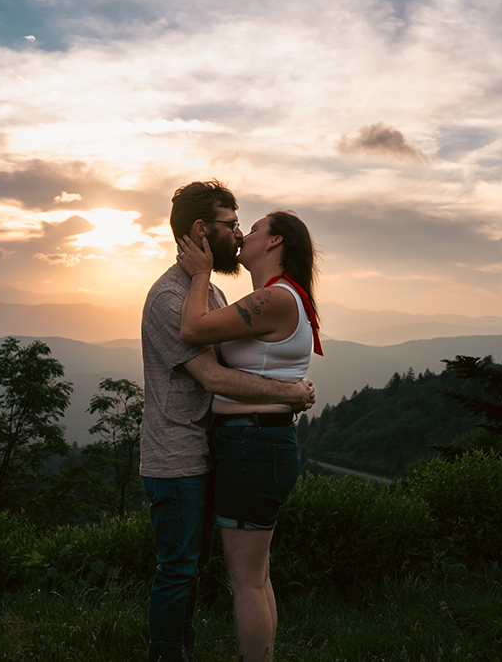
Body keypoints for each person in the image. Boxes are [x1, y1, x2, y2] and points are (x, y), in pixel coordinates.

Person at [141, 181, 315, 662]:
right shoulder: (170, 299)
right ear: (201, 230)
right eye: (233, 224)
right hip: (176, 454)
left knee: (228, 575)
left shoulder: (210, 290)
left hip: (224, 448)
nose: (239, 236)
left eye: (247, 227)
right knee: (181, 570)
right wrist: (289, 394)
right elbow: (214, 374)